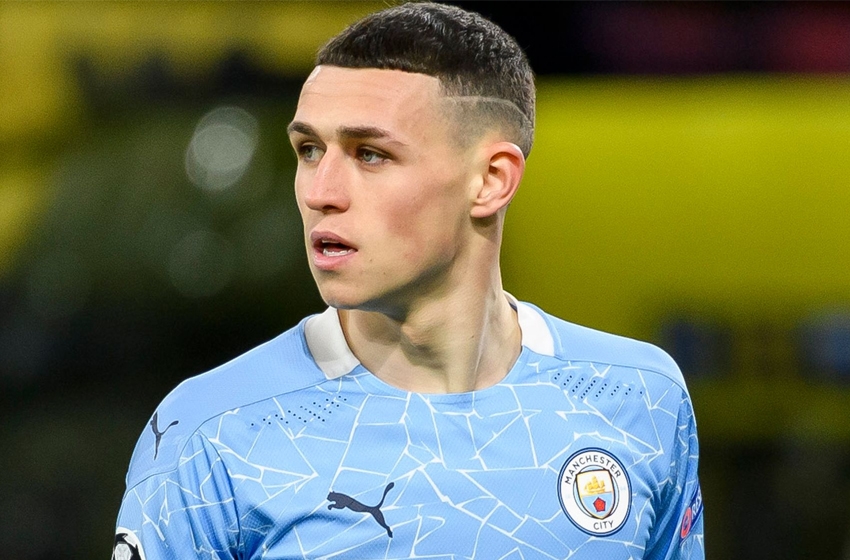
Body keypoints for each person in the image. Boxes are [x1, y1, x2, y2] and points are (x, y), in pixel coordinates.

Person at [113, 3, 704, 559]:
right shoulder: (211, 432)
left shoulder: (640, 397)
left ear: (491, 180)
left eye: (370, 154)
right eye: (309, 149)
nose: (321, 192)